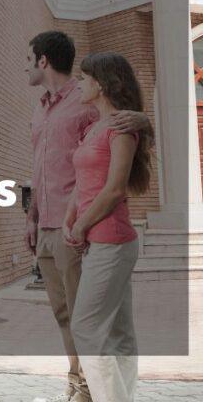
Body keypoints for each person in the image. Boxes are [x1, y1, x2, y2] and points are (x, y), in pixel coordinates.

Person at [24, 31, 149, 402]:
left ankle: (88, 391)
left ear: (43, 60)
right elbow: (40, 166)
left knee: (88, 320)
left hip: (84, 230)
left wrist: (143, 119)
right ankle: (80, 384)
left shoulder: (85, 101)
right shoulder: (40, 109)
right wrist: (31, 216)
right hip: (49, 223)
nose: (25, 66)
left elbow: (122, 119)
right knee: (66, 314)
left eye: (28, 59)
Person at [64, 52, 150, 402]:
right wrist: (72, 216)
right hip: (98, 240)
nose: (79, 84)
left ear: (100, 83)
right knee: (117, 333)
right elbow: (86, 181)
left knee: (86, 327)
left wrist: (81, 225)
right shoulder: (96, 127)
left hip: (111, 240)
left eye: (83, 79)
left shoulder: (121, 127)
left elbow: (114, 189)